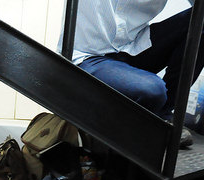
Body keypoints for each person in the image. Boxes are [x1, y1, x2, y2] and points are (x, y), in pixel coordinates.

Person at [70, 0, 201, 147]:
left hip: (134, 47)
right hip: (88, 54)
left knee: (201, 17)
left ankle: (161, 116)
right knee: (153, 90)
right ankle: (149, 122)